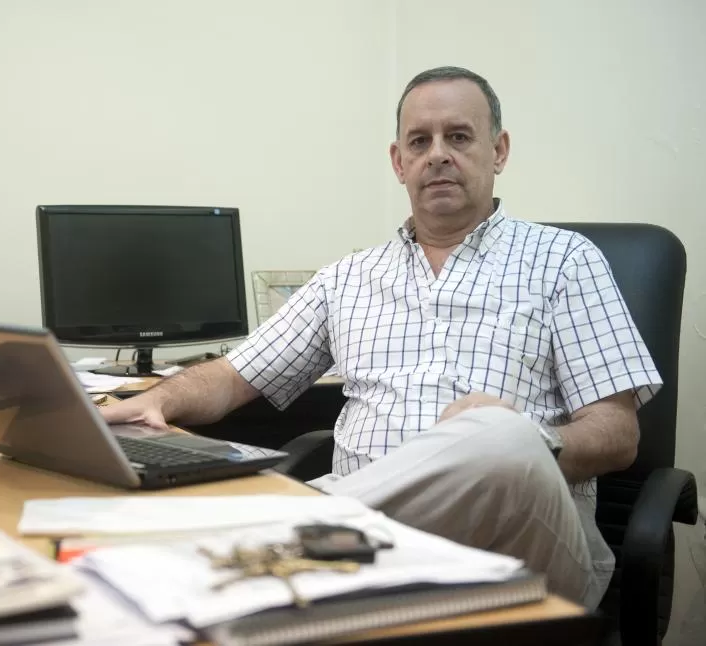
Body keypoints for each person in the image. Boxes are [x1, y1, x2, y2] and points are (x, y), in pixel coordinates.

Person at [100, 66, 660, 609]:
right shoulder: (348, 276)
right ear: (399, 162)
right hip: (366, 555)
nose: (437, 153)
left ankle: (273, 527)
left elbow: (617, 435)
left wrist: (534, 440)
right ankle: (293, 529)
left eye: (459, 136)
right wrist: (155, 399)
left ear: (500, 150)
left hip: (517, 548)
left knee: (497, 432)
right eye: (420, 140)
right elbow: (232, 376)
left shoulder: (564, 261)